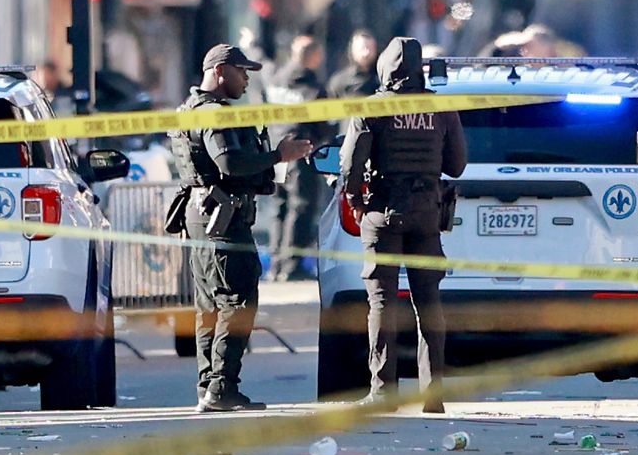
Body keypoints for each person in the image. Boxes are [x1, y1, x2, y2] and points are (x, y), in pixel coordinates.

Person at [171, 43, 312, 412]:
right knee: (239, 301)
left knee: (209, 306)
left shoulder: (189, 110)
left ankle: (209, 387)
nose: (247, 80)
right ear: (220, 71)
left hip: (201, 216)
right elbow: (230, 164)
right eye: (241, 71)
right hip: (222, 220)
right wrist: (278, 156)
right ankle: (220, 387)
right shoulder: (215, 114)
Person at [340, 37, 468, 410]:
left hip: (382, 212)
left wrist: (356, 202)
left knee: (382, 303)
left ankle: (383, 393)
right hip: (427, 213)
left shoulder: (372, 108)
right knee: (429, 303)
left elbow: (350, 166)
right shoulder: (442, 108)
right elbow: (456, 166)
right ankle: (434, 396)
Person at [266, 33, 331, 281]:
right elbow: (323, 125)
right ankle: (291, 265)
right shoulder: (313, 87)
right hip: (300, 154)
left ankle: (275, 264)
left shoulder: (277, 79)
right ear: (313, 56)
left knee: (279, 208)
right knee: (300, 208)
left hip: (276, 151)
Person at [326, 29, 379, 100]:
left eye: (370, 48)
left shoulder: (383, 79)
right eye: (362, 48)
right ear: (353, 50)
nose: (366, 53)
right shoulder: (339, 82)